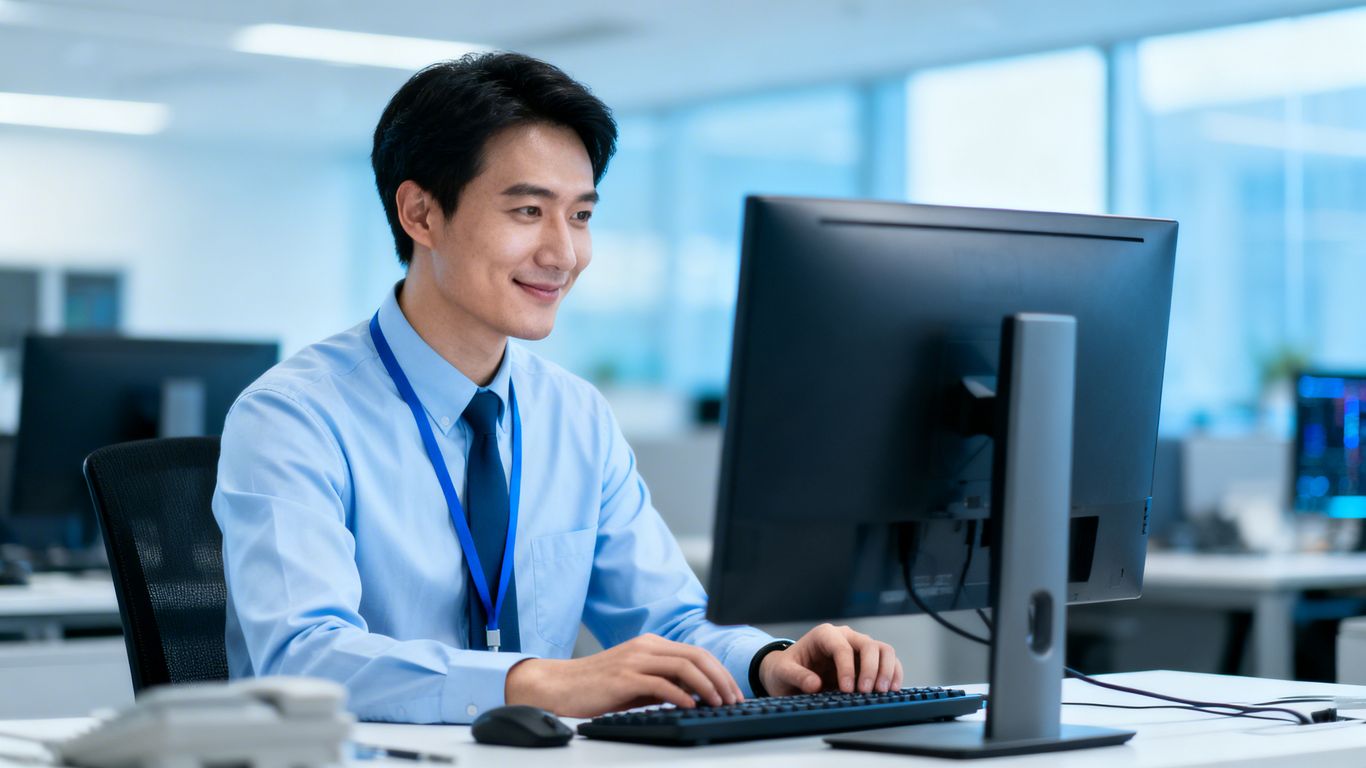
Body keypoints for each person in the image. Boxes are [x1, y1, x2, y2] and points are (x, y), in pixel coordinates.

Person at [213, 51, 904, 725]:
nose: (563, 254)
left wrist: (768, 662)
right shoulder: (293, 415)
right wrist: (533, 682)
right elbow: (303, 657)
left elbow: (667, 618)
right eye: (527, 212)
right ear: (421, 214)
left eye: (580, 215)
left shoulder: (574, 415)